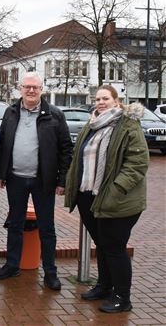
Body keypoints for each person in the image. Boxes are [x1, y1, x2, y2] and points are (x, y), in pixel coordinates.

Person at [65, 86, 148, 313]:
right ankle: (104, 286)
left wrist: (116, 189)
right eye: (97, 99)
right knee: (102, 245)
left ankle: (122, 298)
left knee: (114, 247)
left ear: (116, 100)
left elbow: (138, 163)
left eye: (105, 98)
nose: (100, 102)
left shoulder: (128, 125)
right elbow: (78, 157)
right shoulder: (92, 125)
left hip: (117, 199)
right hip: (88, 195)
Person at [0, 71, 73, 290]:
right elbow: (3, 144)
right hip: (16, 179)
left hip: (43, 181)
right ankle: (12, 265)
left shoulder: (55, 115)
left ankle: (50, 272)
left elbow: (66, 149)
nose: (30, 90)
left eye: (35, 87)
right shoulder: (10, 113)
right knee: (15, 225)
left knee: (47, 228)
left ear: (41, 89)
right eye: (27, 87)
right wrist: (0, 173)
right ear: (20, 88)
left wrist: (62, 180)